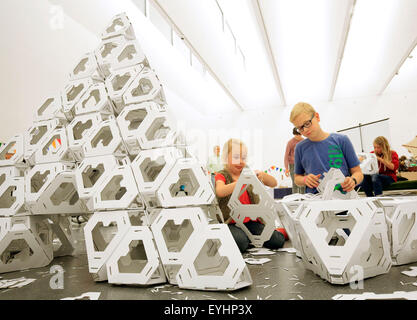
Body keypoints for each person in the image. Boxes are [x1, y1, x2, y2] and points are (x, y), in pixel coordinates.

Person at [215, 138, 286, 253]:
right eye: (236, 157)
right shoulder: (221, 175)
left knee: (277, 241)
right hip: (230, 222)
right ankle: (247, 239)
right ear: (225, 158)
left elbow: (274, 183)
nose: (240, 161)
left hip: (251, 222)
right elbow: (220, 191)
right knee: (241, 242)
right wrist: (240, 182)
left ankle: (279, 231)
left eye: (243, 158)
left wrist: (262, 175)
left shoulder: (248, 173)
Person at [289, 102, 364, 194]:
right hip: (314, 201)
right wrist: (305, 179)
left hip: (343, 199)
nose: (305, 130)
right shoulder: (300, 148)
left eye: (307, 123)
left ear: (317, 117)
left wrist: (353, 180)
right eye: (300, 128)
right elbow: (297, 178)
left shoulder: (341, 140)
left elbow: (358, 173)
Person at [284, 127, 305, 194]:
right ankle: (295, 199)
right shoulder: (290, 142)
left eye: (299, 135)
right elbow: (286, 155)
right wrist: (286, 168)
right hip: (293, 165)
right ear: (294, 134)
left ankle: (303, 198)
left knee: (303, 183)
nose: (298, 136)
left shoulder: (304, 142)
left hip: (302, 165)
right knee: (295, 183)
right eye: (296, 135)